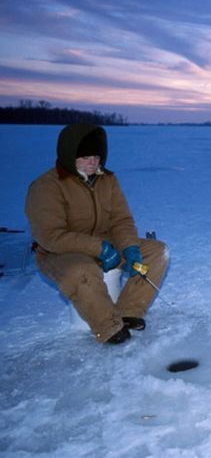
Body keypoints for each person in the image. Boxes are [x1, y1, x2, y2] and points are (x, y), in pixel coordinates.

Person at [25, 123, 169, 344]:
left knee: (156, 252)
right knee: (82, 270)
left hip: (105, 243)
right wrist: (97, 248)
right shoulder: (46, 187)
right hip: (58, 252)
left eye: (96, 156)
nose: (92, 163)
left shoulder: (107, 180)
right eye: (84, 157)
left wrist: (130, 248)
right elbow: (51, 236)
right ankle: (108, 325)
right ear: (68, 155)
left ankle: (129, 311)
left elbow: (121, 220)